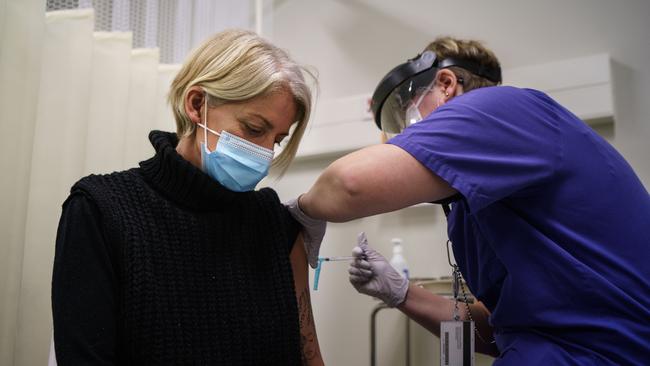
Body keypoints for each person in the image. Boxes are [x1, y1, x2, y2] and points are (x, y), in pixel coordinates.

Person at [286, 37, 650, 364]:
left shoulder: (500, 106)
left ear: (446, 84)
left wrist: (302, 211)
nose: (406, 132)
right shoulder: (473, 204)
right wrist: (400, 292)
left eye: (406, 111)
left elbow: (350, 184)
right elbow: (494, 331)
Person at [52, 29, 324, 365]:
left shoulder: (273, 222)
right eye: (254, 129)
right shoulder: (100, 211)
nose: (265, 153)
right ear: (197, 105)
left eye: (278, 140)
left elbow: (309, 357)